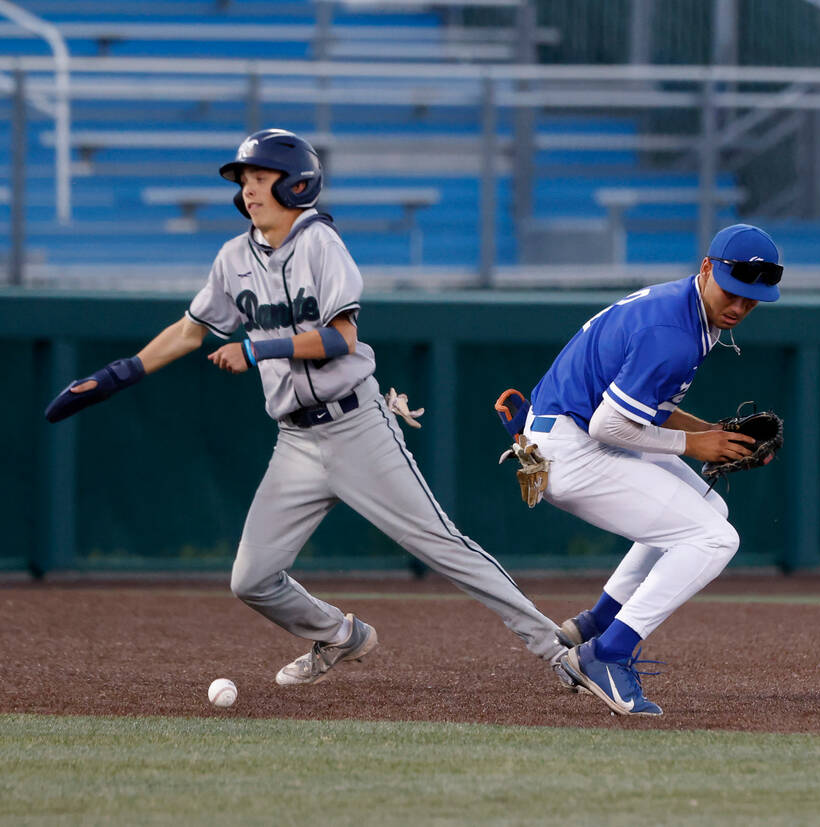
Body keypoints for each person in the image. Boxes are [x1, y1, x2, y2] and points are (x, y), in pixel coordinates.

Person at [44, 128, 568, 687]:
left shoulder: (321, 244)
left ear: (297, 184)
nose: (249, 190)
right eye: (244, 180)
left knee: (441, 545)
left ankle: (557, 650)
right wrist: (116, 375)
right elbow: (187, 331)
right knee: (251, 579)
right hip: (295, 440)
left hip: (356, 425)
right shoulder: (233, 257)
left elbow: (341, 337)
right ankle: (341, 635)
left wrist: (257, 347)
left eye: (261, 178)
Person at [530, 223, 783, 716]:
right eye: (733, 292)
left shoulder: (683, 309)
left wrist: (714, 435)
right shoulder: (674, 331)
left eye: (752, 301)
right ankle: (606, 655)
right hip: (572, 448)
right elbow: (609, 425)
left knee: (709, 509)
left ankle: (598, 624)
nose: (739, 307)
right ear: (707, 268)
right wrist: (694, 444)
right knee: (713, 538)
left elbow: (644, 408)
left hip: (563, 431)